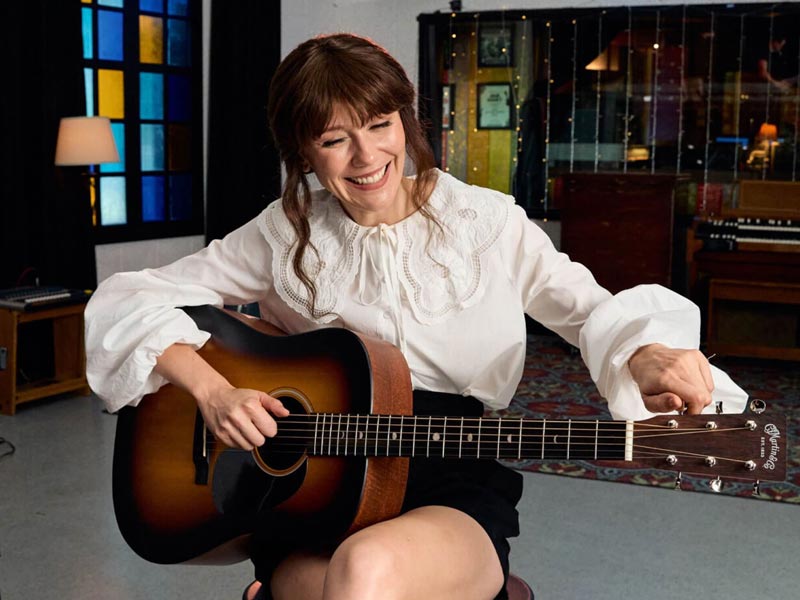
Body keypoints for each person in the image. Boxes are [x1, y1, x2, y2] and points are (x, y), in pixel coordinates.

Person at [85, 33, 747, 600]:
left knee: (365, 572)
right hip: (317, 489)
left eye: (380, 126)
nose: (367, 158)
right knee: (350, 574)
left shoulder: (485, 222)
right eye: (335, 139)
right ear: (303, 153)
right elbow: (127, 296)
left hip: (452, 479)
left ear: (405, 120)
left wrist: (648, 355)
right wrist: (213, 390)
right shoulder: (282, 232)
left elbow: (587, 310)